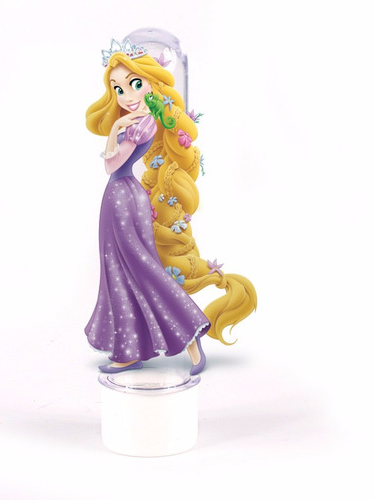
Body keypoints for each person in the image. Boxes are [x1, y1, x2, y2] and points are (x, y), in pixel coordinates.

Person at [85, 39, 256, 374]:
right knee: (120, 271)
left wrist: (116, 129)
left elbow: (111, 164)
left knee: (141, 269)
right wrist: (117, 126)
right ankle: (129, 349)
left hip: (123, 196)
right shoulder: (136, 121)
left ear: (152, 83)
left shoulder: (142, 123)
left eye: (135, 84)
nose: (127, 95)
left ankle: (189, 331)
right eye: (118, 89)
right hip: (123, 196)